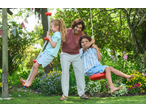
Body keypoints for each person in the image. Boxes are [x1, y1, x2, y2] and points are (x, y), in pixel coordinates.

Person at [20, 18, 67, 87]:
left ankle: (29, 82)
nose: (51, 28)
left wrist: (49, 37)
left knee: (35, 66)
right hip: (47, 53)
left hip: (48, 54)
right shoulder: (57, 34)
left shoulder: (57, 34)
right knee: (35, 66)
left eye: (52, 27)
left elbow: (53, 45)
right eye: (50, 27)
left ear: (57, 27)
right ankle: (28, 80)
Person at [60, 19, 89, 100]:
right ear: (73, 26)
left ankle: (82, 93)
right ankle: (65, 95)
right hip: (65, 54)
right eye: (77, 27)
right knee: (65, 72)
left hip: (77, 55)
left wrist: (90, 43)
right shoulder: (66, 32)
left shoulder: (82, 35)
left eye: (80, 28)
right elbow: (59, 41)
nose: (78, 29)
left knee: (80, 73)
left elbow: (85, 44)